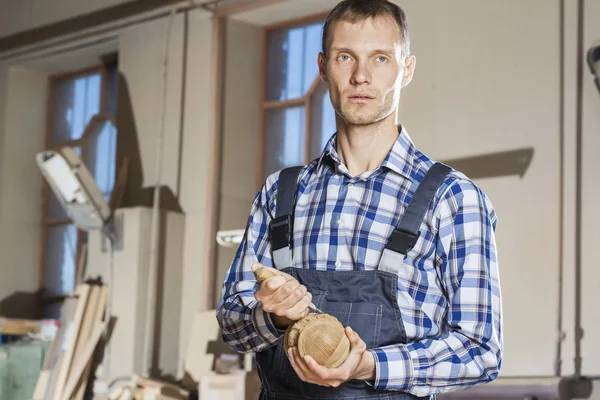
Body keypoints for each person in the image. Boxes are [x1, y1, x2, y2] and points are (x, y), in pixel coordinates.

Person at [216, 0, 503, 399]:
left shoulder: (453, 199)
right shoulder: (281, 193)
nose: (361, 76)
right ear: (322, 67)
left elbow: (481, 350)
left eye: (381, 58)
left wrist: (371, 365)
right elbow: (231, 323)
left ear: (407, 70)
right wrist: (274, 318)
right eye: (345, 57)